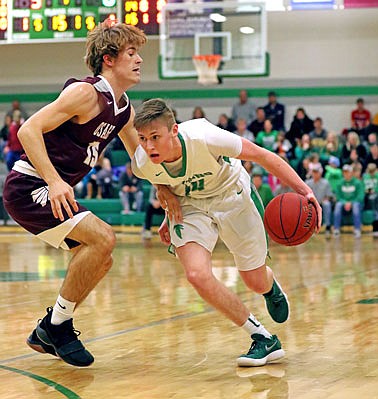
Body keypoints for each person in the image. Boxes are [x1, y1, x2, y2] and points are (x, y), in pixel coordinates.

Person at [131, 98, 322, 367]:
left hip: (232, 195)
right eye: (142, 138)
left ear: (174, 130)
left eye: (154, 137)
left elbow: (263, 156)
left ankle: (270, 287)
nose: (148, 146)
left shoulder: (205, 135)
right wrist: (166, 210)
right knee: (196, 274)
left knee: (254, 281)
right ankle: (262, 337)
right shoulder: (142, 162)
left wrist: (306, 191)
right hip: (191, 206)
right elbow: (163, 181)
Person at [2, 21, 147, 367]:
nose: (140, 59)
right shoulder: (86, 93)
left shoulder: (123, 106)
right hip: (29, 186)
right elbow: (28, 128)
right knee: (103, 238)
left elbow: (140, 158)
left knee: (101, 256)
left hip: (51, 189)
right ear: (109, 59)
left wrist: (168, 189)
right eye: (132, 53)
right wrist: (53, 180)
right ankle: (58, 326)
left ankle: (50, 328)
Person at [333, 164, 364, 238]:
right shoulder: (340, 183)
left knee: (356, 206)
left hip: (355, 202)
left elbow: (360, 196)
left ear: (351, 172)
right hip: (343, 202)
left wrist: (351, 202)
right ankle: (336, 229)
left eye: (348, 172)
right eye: (344, 172)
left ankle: (357, 229)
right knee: (338, 205)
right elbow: (338, 196)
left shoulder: (358, 183)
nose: (346, 174)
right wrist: (345, 202)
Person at [305, 163, 334, 236]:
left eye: (317, 172)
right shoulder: (308, 182)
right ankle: (309, 228)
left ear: (320, 173)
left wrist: (326, 199)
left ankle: (327, 226)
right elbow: (304, 195)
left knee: (327, 204)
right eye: (314, 172)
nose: (315, 174)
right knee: (307, 206)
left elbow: (329, 195)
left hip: (322, 202)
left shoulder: (325, 182)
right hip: (311, 202)